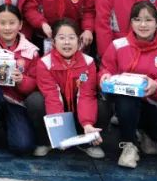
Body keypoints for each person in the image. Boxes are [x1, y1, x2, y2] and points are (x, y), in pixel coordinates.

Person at [99, 0, 157, 168]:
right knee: (127, 98)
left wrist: (156, 86)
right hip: (125, 105)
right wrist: (104, 76)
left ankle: (146, 133)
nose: (143, 25)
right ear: (131, 22)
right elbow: (106, 69)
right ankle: (129, 144)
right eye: (137, 19)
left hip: (154, 106)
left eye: (148, 20)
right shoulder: (118, 45)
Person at [0, 4, 41, 157]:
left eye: (12, 23)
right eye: (2, 23)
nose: (7, 28)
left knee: (23, 146)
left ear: (20, 25)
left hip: (15, 102)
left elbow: (36, 84)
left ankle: (5, 125)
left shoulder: (31, 51)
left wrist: (22, 80)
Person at [30, 18, 104, 159]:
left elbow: (86, 95)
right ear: (53, 42)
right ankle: (47, 141)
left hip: (78, 108)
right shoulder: (44, 63)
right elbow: (52, 96)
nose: (67, 42)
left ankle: (86, 141)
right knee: (35, 101)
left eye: (71, 38)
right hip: (57, 108)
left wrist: (87, 123)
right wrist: (59, 132)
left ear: (79, 41)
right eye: (62, 38)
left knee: (102, 104)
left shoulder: (88, 62)